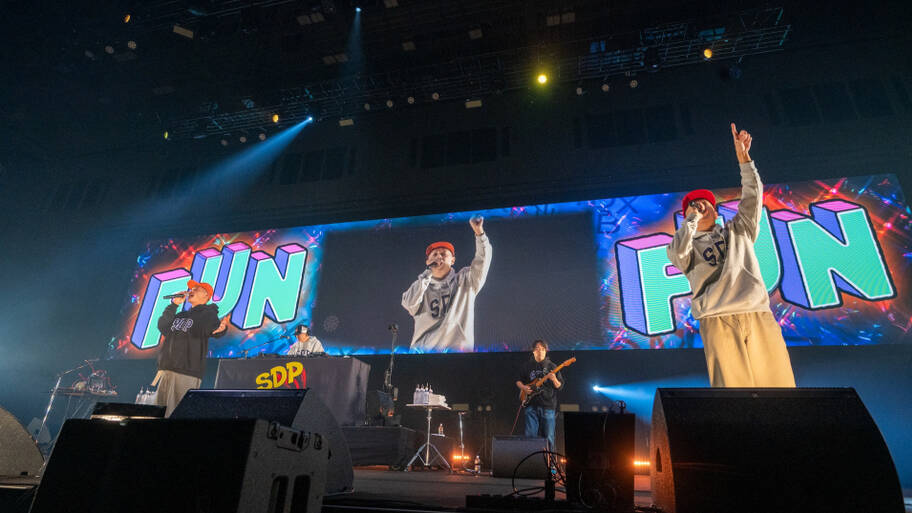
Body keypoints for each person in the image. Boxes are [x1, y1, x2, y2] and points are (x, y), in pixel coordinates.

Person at [666, 123, 796, 387]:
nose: (700, 206)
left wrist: (744, 160)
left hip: (756, 312)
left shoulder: (739, 230)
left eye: (705, 202)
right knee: (733, 390)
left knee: (779, 385)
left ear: (716, 211)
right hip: (717, 319)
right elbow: (677, 252)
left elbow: (753, 197)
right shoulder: (684, 245)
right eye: (693, 205)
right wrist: (691, 220)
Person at [401, 216, 492, 352]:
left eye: (444, 254)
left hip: (457, 355)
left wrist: (480, 234)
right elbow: (408, 304)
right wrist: (427, 274)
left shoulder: (466, 280)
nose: (439, 257)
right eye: (434, 254)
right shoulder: (421, 286)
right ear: (428, 262)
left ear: (453, 260)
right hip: (423, 356)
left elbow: (483, 260)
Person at [153, 280, 229, 416]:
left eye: (196, 289)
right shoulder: (181, 315)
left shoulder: (208, 314)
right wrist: (174, 305)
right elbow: (163, 326)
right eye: (191, 289)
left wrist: (220, 330)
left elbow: (213, 328)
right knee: (158, 414)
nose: (191, 291)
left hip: (186, 371)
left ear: (206, 296)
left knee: (176, 414)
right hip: (167, 369)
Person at [515, 339, 563, 449]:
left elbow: (560, 386)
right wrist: (524, 388)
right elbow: (518, 381)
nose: (540, 351)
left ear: (546, 351)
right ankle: (531, 459)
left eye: (542, 349)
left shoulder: (552, 366)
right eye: (537, 349)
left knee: (549, 437)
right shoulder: (527, 366)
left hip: (548, 406)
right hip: (530, 404)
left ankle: (550, 460)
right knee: (530, 436)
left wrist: (554, 379)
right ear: (533, 351)